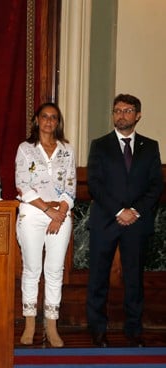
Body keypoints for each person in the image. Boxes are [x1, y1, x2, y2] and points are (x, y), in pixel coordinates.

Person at [86, 94, 163, 348]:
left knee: (134, 279)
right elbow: (94, 184)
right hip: (106, 220)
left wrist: (135, 211)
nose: (121, 115)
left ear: (138, 115)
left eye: (128, 110)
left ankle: (133, 330)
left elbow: (155, 186)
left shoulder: (150, 146)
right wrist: (119, 210)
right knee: (98, 279)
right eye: (117, 110)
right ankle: (97, 330)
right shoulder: (100, 144)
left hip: (137, 223)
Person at [14, 102, 76, 347]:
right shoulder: (25, 149)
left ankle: (51, 325)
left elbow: (70, 184)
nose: (49, 121)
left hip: (61, 213)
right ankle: (30, 323)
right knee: (32, 269)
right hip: (33, 211)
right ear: (37, 120)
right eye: (45, 117)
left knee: (54, 270)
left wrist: (60, 212)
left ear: (57, 122)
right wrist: (48, 211)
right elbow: (22, 184)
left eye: (54, 117)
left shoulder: (67, 150)